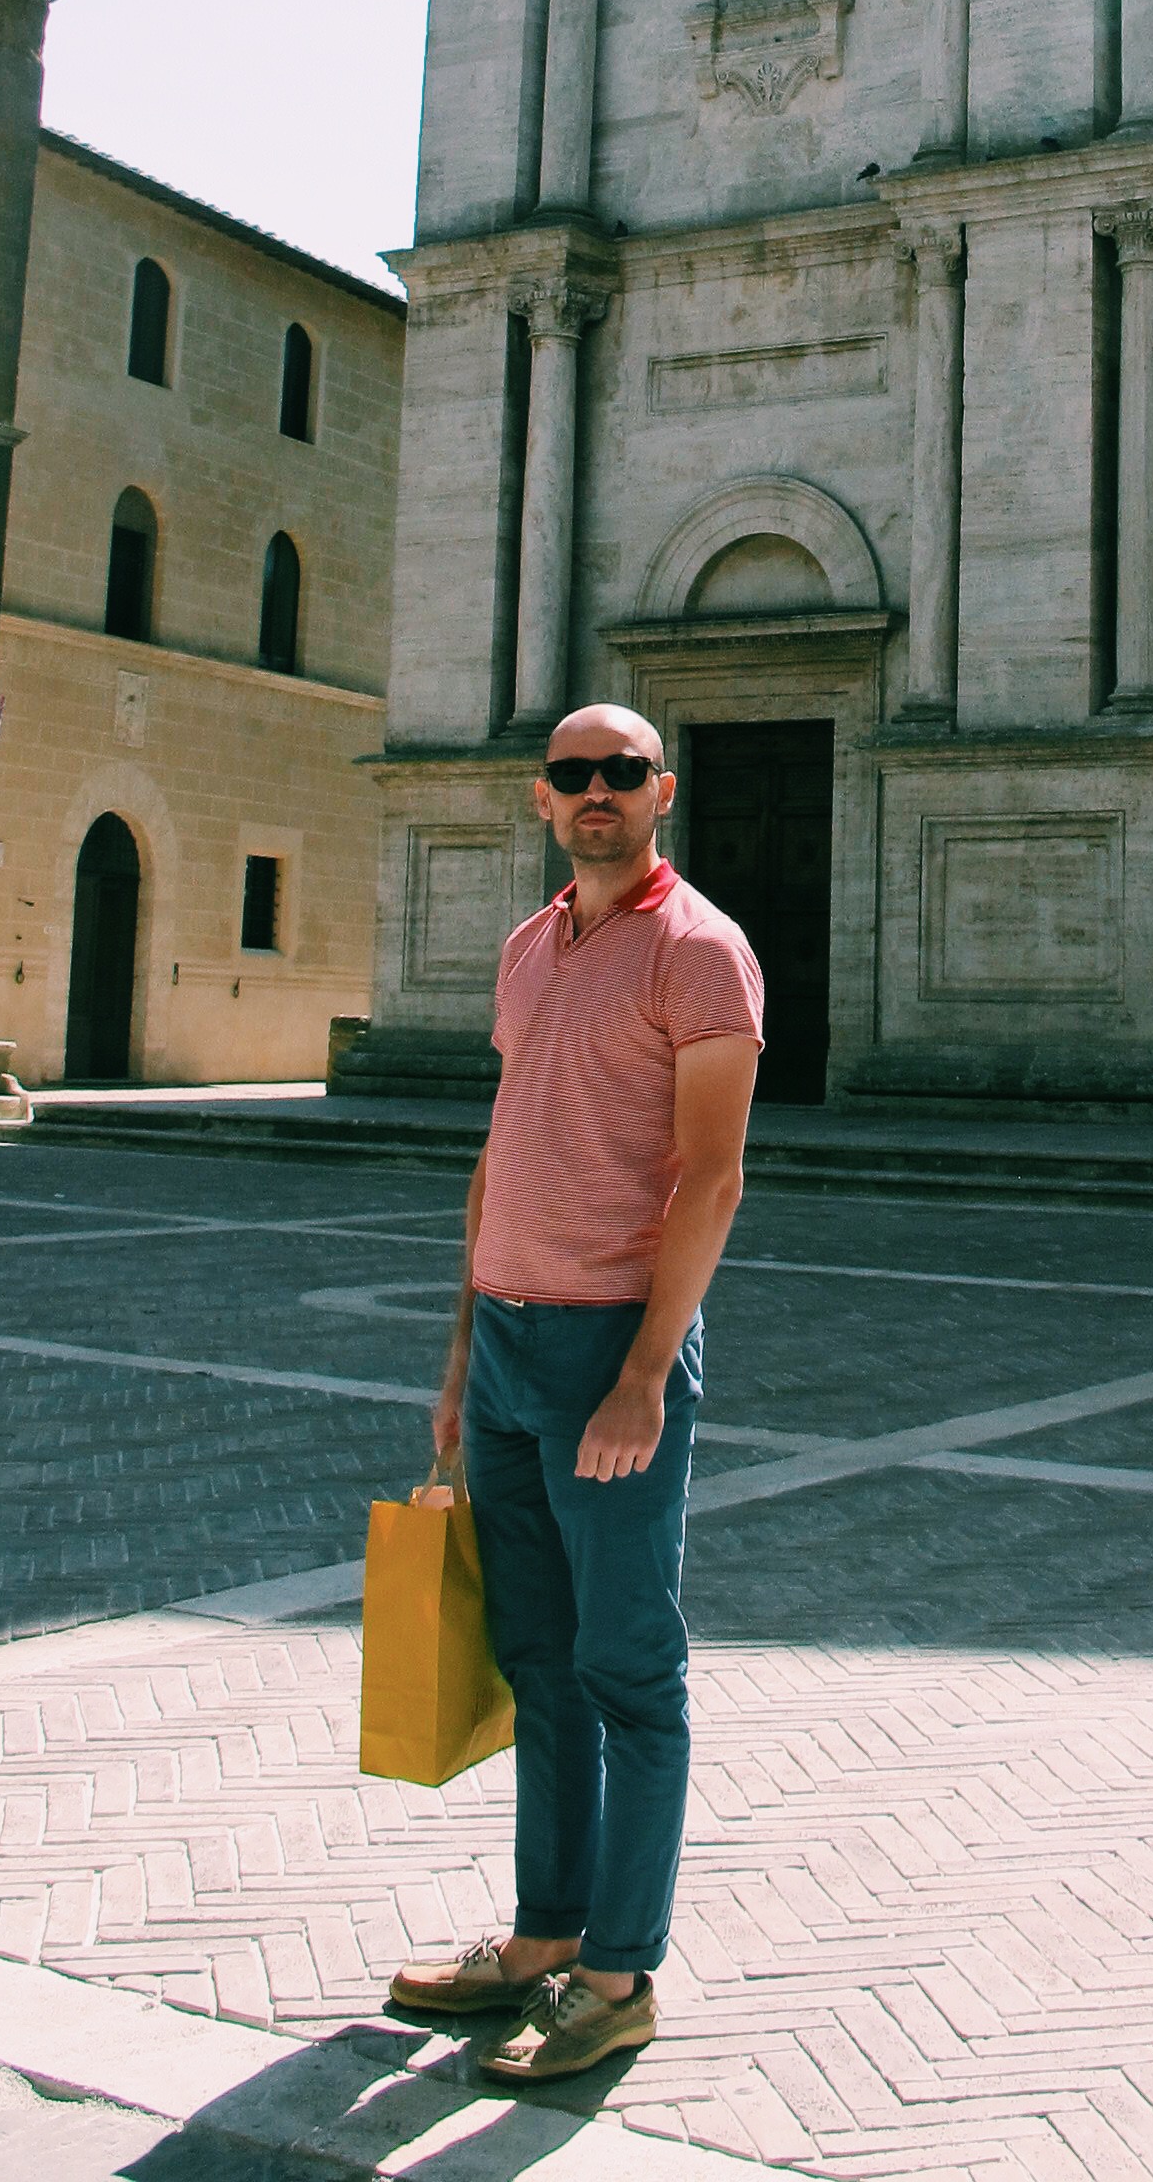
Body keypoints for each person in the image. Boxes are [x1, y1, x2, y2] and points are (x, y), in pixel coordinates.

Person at [383, 701, 763, 2081]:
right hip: (505, 1349)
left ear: (663, 790)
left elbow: (712, 1178)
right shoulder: (528, 947)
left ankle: (617, 1976)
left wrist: (647, 1375)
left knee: (629, 1671)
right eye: (571, 773)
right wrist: (456, 1363)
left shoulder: (702, 951)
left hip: (611, 1349)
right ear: (541, 798)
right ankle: (544, 1933)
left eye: (621, 771)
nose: (596, 790)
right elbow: (501, 1153)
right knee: (538, 1659)